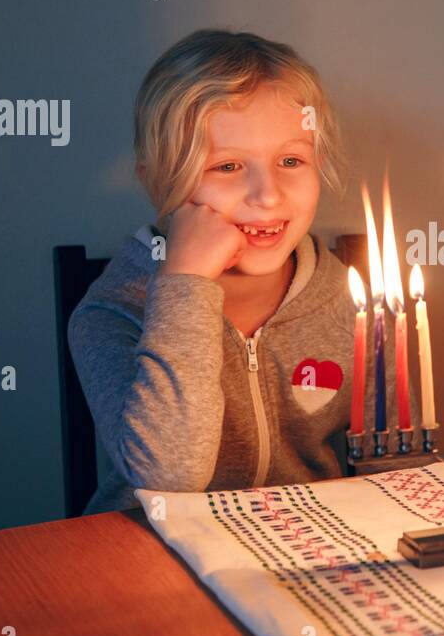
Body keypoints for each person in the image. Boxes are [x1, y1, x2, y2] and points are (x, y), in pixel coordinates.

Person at [69, 29, 416, 514]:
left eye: (291, 160)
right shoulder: (115, 310)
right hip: (151, 555)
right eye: (228, 167)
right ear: (156, 181)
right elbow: (170, 474)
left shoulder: (350, 301)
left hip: (304, 551)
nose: (268, 195)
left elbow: (401, 470)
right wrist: (185, 284)